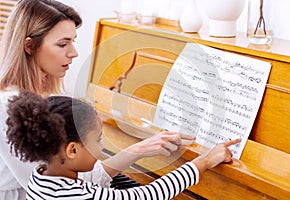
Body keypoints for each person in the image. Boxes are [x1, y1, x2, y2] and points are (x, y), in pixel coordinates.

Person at [0, 0, 200, 199]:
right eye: (63, 44)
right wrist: (139, 151)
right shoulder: (8, 109)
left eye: (73, 41)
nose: (74, 52)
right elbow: (75, 184)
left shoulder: (47, 98)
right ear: (29, 46)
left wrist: (139, 149)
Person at [6, 90, 241, 199]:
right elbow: (144, 196)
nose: (103, 145)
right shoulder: (75, 196)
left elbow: (92, 179)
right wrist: (205, 160)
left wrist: (139, 148)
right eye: (97, 140)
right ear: (73, 149)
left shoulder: (42, 178)